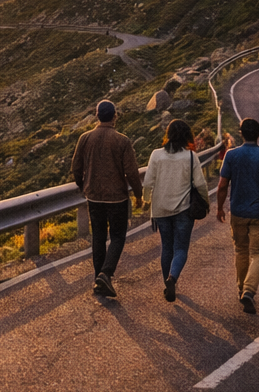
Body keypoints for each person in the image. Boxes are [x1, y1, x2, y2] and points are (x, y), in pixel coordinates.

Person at [144, 119, 229, 302]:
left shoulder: (156, 155)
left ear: (168, 135)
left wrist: (146, 201)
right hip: (183, 210)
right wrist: (206, 203)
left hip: (161, 209)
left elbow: (148, 182)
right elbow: (200, 184)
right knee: (180, 248)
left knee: (166, 247)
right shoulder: (190, 157)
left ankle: (167, 282)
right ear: (187, 136)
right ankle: (172, 278)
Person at [71, 99, 142, 298]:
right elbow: (132, 172)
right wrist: (138, 195)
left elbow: (76, 167)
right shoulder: (123, 141)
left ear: (97, 116)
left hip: (93, 197)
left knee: (99, 236)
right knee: (118, 236)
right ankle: (106, 273)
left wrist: (82, 185)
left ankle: (98, 279)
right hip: (117, 197)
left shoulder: (85, 138)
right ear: (115, 116)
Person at [215, 117, 259, 314]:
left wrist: (220, 208)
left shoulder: (231, 155)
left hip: (238, 212)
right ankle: (249, 290)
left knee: (240, 250)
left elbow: (222, 186)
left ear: (241, 133)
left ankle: (242, 289)